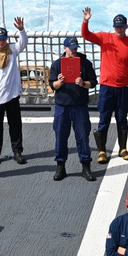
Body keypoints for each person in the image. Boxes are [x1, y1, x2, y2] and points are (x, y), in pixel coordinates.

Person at [82, 7, 128, 163]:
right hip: (107, 87)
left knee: (122, 119)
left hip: (123, 88)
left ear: (126, 27)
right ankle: (102, 151)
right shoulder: (105, 38)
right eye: (117, 26)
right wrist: (86, 21)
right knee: (104, 119)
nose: (119, 29)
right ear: (113, 27)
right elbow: (86, 35)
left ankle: (123, 148)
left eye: (122, 26)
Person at [49, 37, 96, 181]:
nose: (74, 50)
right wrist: (60, 82)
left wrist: (83, 83)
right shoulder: (57, 65)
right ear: (65, 48)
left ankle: (86, 167)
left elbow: (93, 83)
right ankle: (60, 167)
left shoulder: (85, 63)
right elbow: (52, 85)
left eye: (75, 47)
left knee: (82, 136)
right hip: (62, 107)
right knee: (61, 137)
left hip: (79, 106)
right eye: (71, 48)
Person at [0, 20, 28, 166]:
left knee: (15, 126)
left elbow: (23, 43)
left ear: (6, 39)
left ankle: (17, 152)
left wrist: (21, 30)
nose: (1, 42)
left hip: (13, 96)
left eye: (3, 39)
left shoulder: (13, 50)